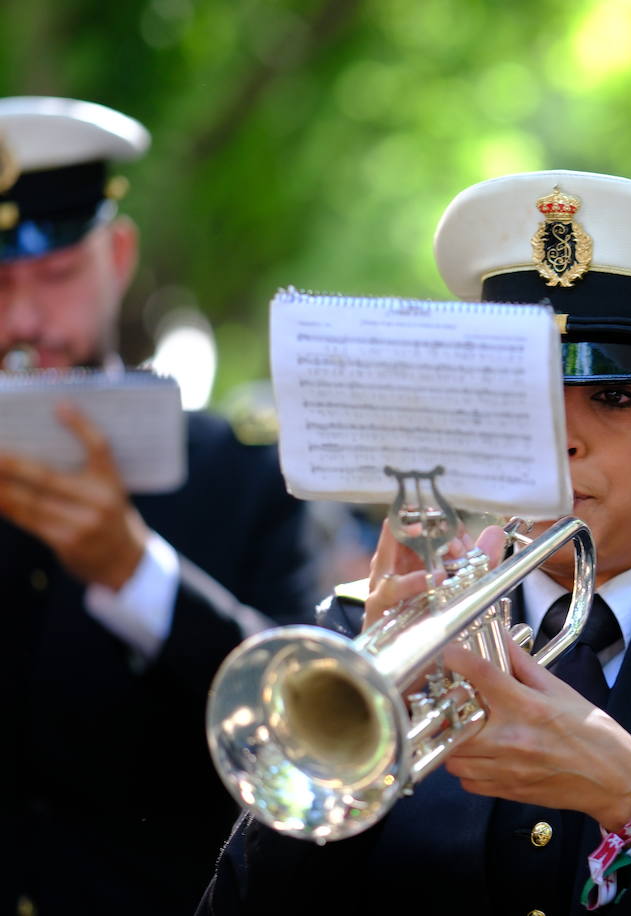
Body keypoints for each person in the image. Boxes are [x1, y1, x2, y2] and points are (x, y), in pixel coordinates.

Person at [199, 170, 631, 915]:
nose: (560, 437)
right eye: (527, 390)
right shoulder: (368, 633)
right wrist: (336, 757)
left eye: (612, 397)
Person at [0, 96, 319, 914]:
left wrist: (136, 573)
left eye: (58, 274)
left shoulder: (243, 478)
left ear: (120, 253)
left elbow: (306, 721)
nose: (27, 319)